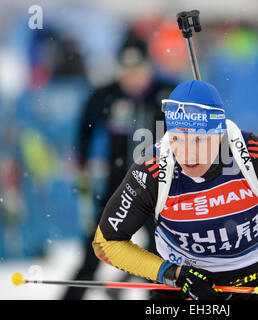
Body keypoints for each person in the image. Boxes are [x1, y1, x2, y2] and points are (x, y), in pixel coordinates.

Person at [92, 79, 258, 300]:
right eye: (176, 139)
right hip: (183, 287)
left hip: (255, 281)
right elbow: (106, 243)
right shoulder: (150, 172)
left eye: (198, 140)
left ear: (219, 134)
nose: (186, 153)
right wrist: (171, 273)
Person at [61, 30, 175, 300]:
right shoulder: (106, 95)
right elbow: (84, 131)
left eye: (137, 69)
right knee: (98, 244)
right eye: (125, 70)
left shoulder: (167, 93)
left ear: (149, 66)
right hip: (119, 186)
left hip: (161, 187)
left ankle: (157, 300)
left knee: (163, 251)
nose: (131, 77)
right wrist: (83, 163)